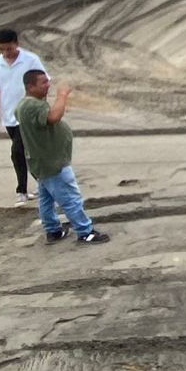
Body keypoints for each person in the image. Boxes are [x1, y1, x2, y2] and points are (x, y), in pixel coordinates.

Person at [16, 69, 109, 245]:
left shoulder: (24, 105)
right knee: (70, 197)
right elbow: (54, 117)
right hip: (52, 162)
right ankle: (85, 231)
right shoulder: (32, 106)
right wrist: (62, 95)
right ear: (30, 86)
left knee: (46, 199)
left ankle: (53, 230)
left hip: (41, 162)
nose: (48, 85)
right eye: (43, 83)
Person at [0, 28, 46, 206]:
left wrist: (42, 111)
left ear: (16, 44)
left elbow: (44, 85)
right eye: (1, 49)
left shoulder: (31, 60)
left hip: (28, 114)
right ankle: (44, 183)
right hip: (9, 116)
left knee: (17, 151)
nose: (5, 53)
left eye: (8, 48)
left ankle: (21, 191)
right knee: (27, 153)